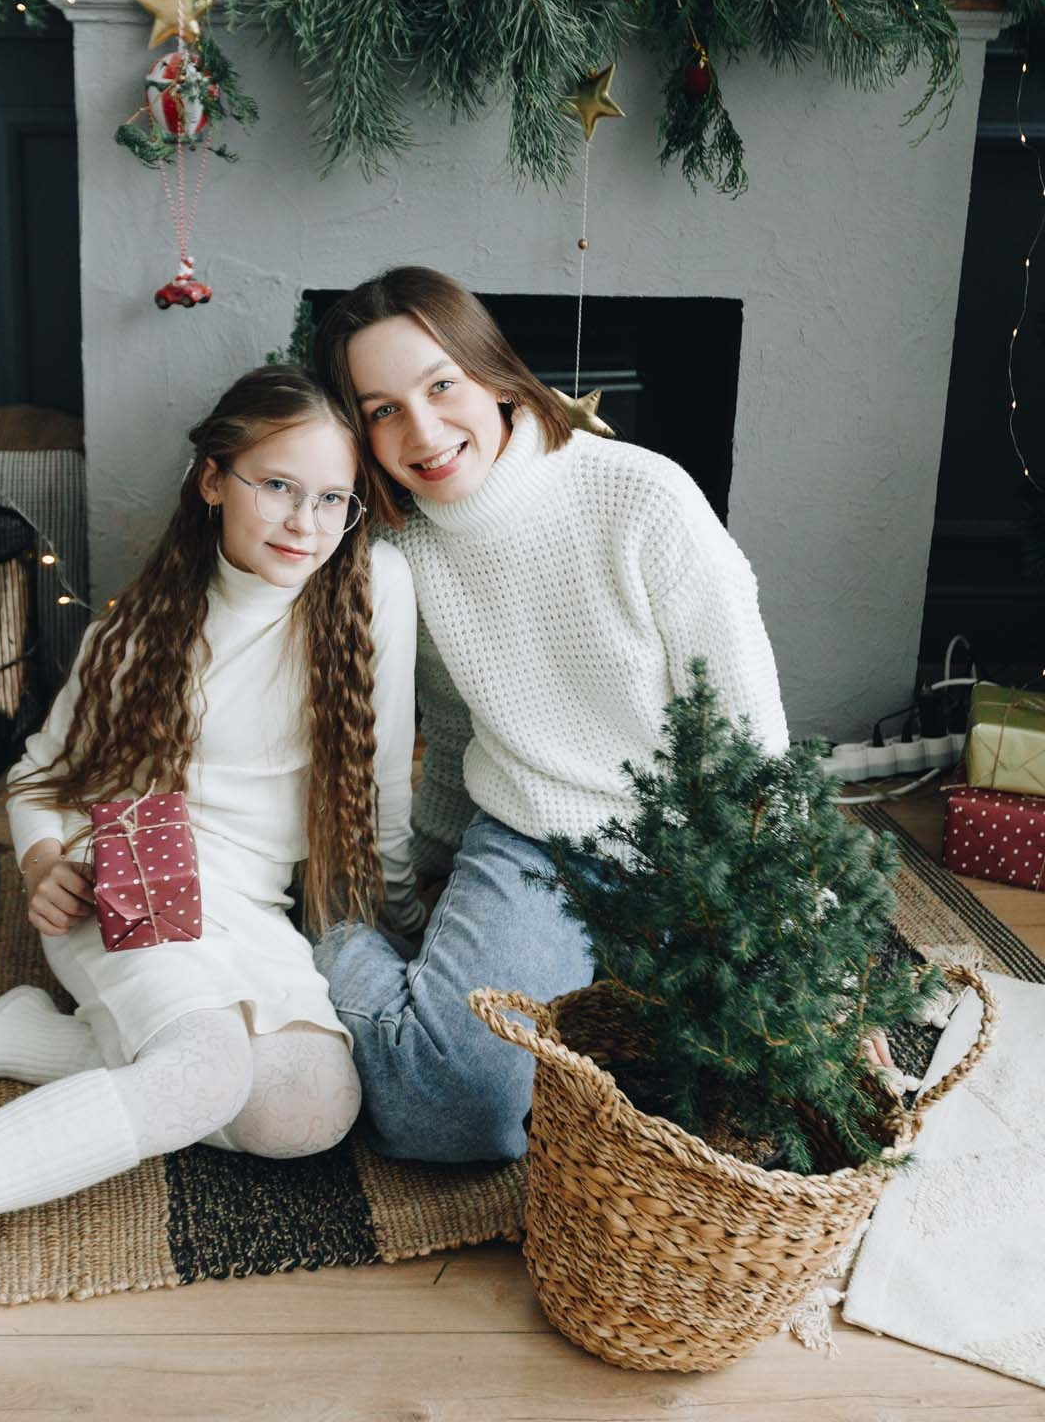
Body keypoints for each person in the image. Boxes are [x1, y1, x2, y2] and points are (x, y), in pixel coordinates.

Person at [0, 366, 425, 1422]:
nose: (306, 522)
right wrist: (42, 864)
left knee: (312, 1108)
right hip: (130, 855)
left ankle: (36, 1035)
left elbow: (384, 789)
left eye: (330, 498)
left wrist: (402, 921)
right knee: (207, 1073)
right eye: (275, 485)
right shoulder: (141, 625)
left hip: (247, 903)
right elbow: (40, 775)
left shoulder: (374, 587)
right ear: (213, 479)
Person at [311, 266, 790, 1165]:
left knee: (754, 1107)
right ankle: (320, 938)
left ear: (492, 373)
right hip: (532, 848)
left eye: (440, 386)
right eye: (382, 411)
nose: (423, 433)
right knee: (455, 1113)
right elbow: (456, 732)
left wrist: (794, 932)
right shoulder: (403, 549)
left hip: (688, 858)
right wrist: (420, 891)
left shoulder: (643, 497)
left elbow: (751, 740)